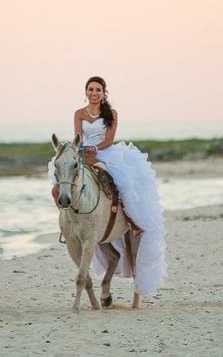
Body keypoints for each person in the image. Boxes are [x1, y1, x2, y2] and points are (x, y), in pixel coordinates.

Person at [50, 76, 166, 296]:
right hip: (83, 154)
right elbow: (78, 138)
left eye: (98, 90)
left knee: (120, 182)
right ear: (86, 92)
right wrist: (82, 151)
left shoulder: (111, 114)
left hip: (105, 154)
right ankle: (68, 223)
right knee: (59, 185)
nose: (94, 93)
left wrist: (96, 150)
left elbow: (109, 140)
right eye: (91, 89)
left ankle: (130, 219)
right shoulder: (79, 114)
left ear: (104, 93)